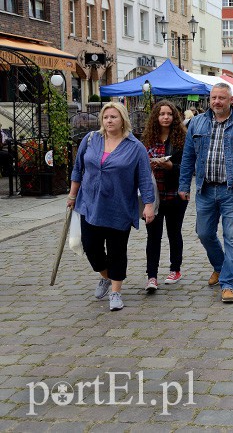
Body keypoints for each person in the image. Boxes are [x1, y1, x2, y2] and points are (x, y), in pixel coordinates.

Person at [68, 102, 155, 311]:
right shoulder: (91, 140)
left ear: (123, 119)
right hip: (90, 204)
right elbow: (78, 168)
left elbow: (144, 179)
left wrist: (149, 205)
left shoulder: (135, 147)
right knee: (91, 248)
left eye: (114, 117)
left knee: (117, 251)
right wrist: (72, 195)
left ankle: (116, 292)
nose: (109, 121)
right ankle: (105, 276)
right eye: (106, 117)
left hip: (119, 207)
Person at [179, 83, 233, 303]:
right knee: (204, 233)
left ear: (230, 100)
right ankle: (220, 265)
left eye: (221, 98)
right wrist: (184, 185)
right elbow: (188, 157)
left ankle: (228, 284)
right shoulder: (197, 122)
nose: (216, 101)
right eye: (213, 97)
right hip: (205, 189)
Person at [142, 101, 188, 292]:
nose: (166, 117)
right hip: (154, 194)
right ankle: (151, 276)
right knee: (153, 235)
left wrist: (171, 167)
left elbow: (187, 168)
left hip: (175, 193)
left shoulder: (181, 140)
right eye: (162, 114)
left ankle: (175, 269)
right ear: (156, 117)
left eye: (169, 114)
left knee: (173, 232)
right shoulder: (148, 139)